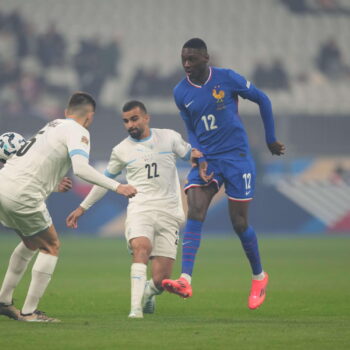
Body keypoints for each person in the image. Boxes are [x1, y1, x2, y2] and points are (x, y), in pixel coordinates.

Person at [162, 38, 285, 310]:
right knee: (195, 209)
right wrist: (200, 154)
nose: (186, 64)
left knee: (239, 224)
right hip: (208, 160)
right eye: (183, 58)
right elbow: (191, 126)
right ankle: (185, 278)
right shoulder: (181, 92)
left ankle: (259, 277)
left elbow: (263, 100)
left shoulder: (227, 78)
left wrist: (270, 139)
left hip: (237, 158)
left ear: (206, 58)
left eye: (192, 59)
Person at [0, 92, 137, 322]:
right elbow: (82, 169)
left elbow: (32, 164)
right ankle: (29, 312)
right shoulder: (79, 131)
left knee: (31, 242)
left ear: (66, 112)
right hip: (23, 195)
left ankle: (4, 300)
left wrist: (53, 184)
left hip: (4, 185)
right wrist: (117, 186)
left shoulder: (52, 125)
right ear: (90, 117)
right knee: (51, 245)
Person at [66, 100, 201, 318]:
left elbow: (193, 156)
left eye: (134, 119)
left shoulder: (169, 137)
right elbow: (103, 181)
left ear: (146, 118)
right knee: (141, 247)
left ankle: (149, 292)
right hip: (141, 207)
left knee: (161, 280)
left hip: (169, 212)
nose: (130, 125)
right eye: (126, 121)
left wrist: (205, 163)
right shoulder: (121, 150)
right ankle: (135, 308)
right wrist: (82, 208)